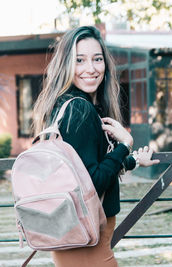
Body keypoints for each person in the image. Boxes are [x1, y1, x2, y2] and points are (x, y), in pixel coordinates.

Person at [32, 26, 160, 267]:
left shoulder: (62, 106)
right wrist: (125, 144)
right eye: (79, 60)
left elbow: (82, 168)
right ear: (66, 65)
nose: (90, 68)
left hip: (71, 230)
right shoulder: (80, 110)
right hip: (88, 236)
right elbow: (93, 181)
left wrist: (131, 160)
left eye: (97, 59)